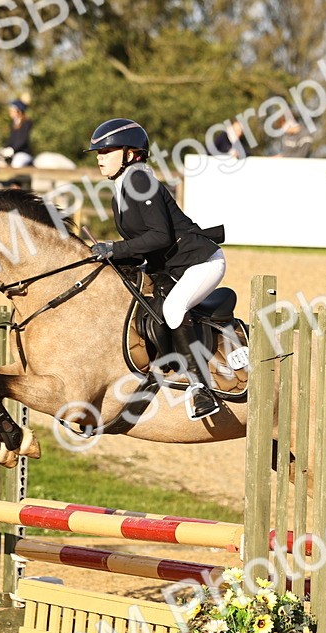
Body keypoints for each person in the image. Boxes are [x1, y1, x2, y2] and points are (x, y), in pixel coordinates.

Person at [85, 118, 227, 421]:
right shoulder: (120, 192)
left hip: (201, 262)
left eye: (107, 151)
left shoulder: (140, 181)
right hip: (172, 267)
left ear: (131, 153)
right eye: (98, 152)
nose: (99, 157)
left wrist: (114, 248)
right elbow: (140, 245)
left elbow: (160, 236)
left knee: (175, 307)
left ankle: (201, 388)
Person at [1, 99, 34, 167]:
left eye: (12, 111)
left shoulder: (26, 123)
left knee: (16, 163)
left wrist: (13, 149)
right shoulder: (12, 124)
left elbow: (23, 139)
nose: (10, 112)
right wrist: (5, 148)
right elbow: (10, 140)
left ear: (19, 112)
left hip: (23, 153)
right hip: (14, 153)